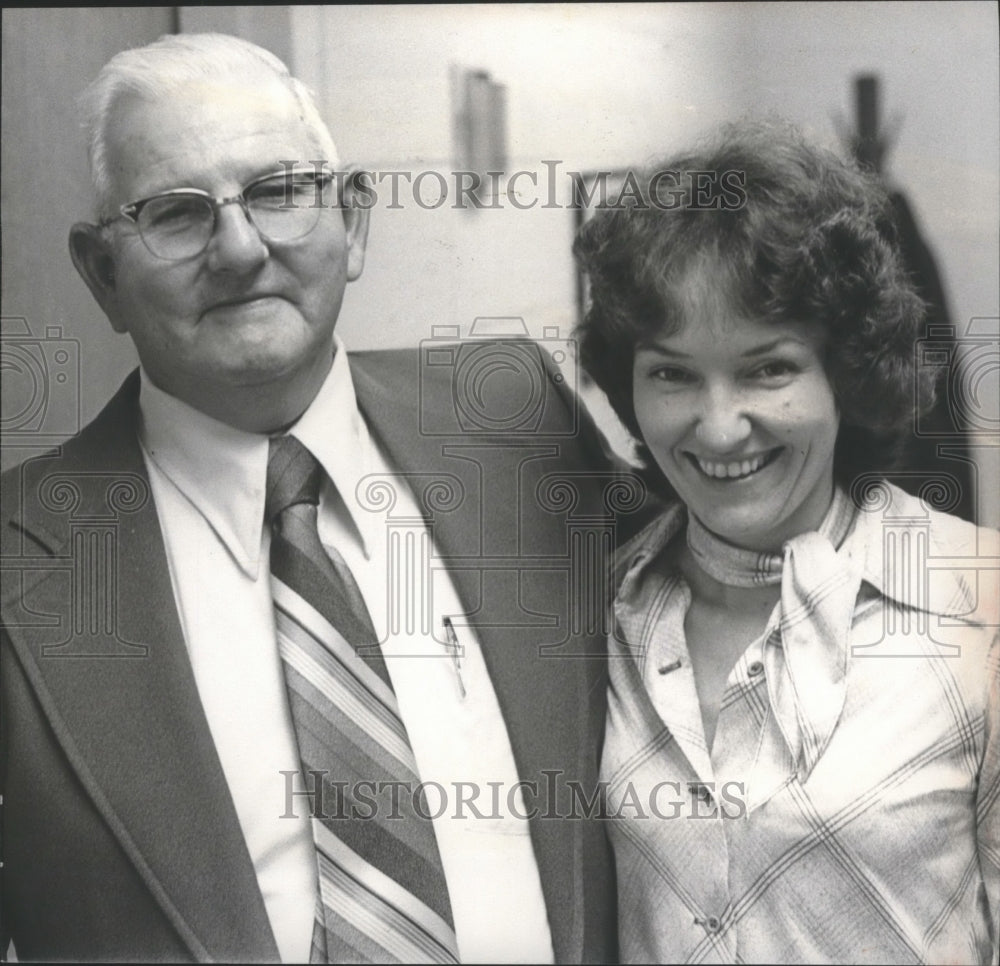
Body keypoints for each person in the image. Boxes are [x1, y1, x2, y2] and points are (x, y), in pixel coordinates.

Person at [0, 33, 630, 963]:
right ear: (102, 274)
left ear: (356, 220)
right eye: (176, 215)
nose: (241, 248)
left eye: (279, 191)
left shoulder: (516, 418)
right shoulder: (21, 562)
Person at [573, 121, 999, 964]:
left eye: (769, 369)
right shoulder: (601, 612)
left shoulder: (979, 605)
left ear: (847, 372)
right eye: (673, 373)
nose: (721, 426)